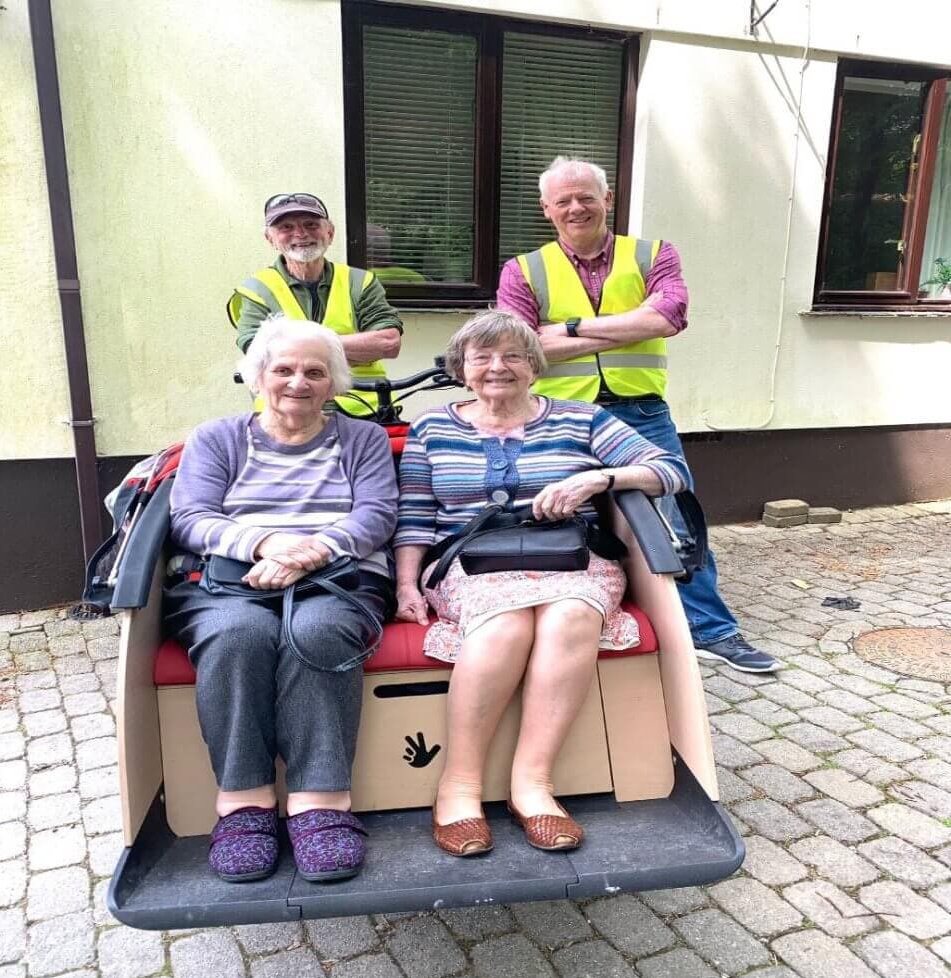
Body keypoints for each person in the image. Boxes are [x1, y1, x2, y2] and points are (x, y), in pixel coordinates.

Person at [394, 310, 688, 857]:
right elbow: (412, 515)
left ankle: (533, 786)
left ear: (535, 365)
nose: (497, 367)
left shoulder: (584, 417)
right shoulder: (431, 427)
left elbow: (670, 469)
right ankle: (458, 788)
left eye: (513, 355)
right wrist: (407, 585)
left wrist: (598, 477)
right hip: (469, 563)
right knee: (504, 625)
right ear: (462, 368)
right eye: (482, 357)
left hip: (573, 557)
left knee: (573, 613)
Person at [496, 156, 777, 675]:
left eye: (586, 196)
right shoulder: (523, 269)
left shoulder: (653, 253)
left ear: (608, 199)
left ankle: (711, 631)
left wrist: (568, 330)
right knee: (555, 515)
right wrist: (629, 324)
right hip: (558, 413)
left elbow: (667, 316)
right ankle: (584, 622)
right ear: (546, 209)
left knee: (672, 517)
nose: (576, 207)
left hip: (640, 410)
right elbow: (516, 348)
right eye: (563, 200)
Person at [165, 317, 397, 883]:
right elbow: (190, 517)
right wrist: (267, 542)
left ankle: (320, 805)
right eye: (283, 368)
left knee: (315, 633)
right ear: (257, 376)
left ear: (334, 383)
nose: (299, 381)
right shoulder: (216, 438)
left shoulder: (361, 439)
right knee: (238, 635)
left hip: (339, 576)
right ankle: (244, 805)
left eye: (315, 371)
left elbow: (377, 515)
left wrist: (309, 552)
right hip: (229, 580)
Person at [227, 192, 402, 416]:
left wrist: (294, 349)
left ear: (330, 232)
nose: (300, 234)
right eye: (286, 227)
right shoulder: (256, 290)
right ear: (270, 239)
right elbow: (259, 354)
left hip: (365, 408)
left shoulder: (361, 281)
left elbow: (388, 342)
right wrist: (349, 347)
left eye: (311, 224)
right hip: (287, 410)